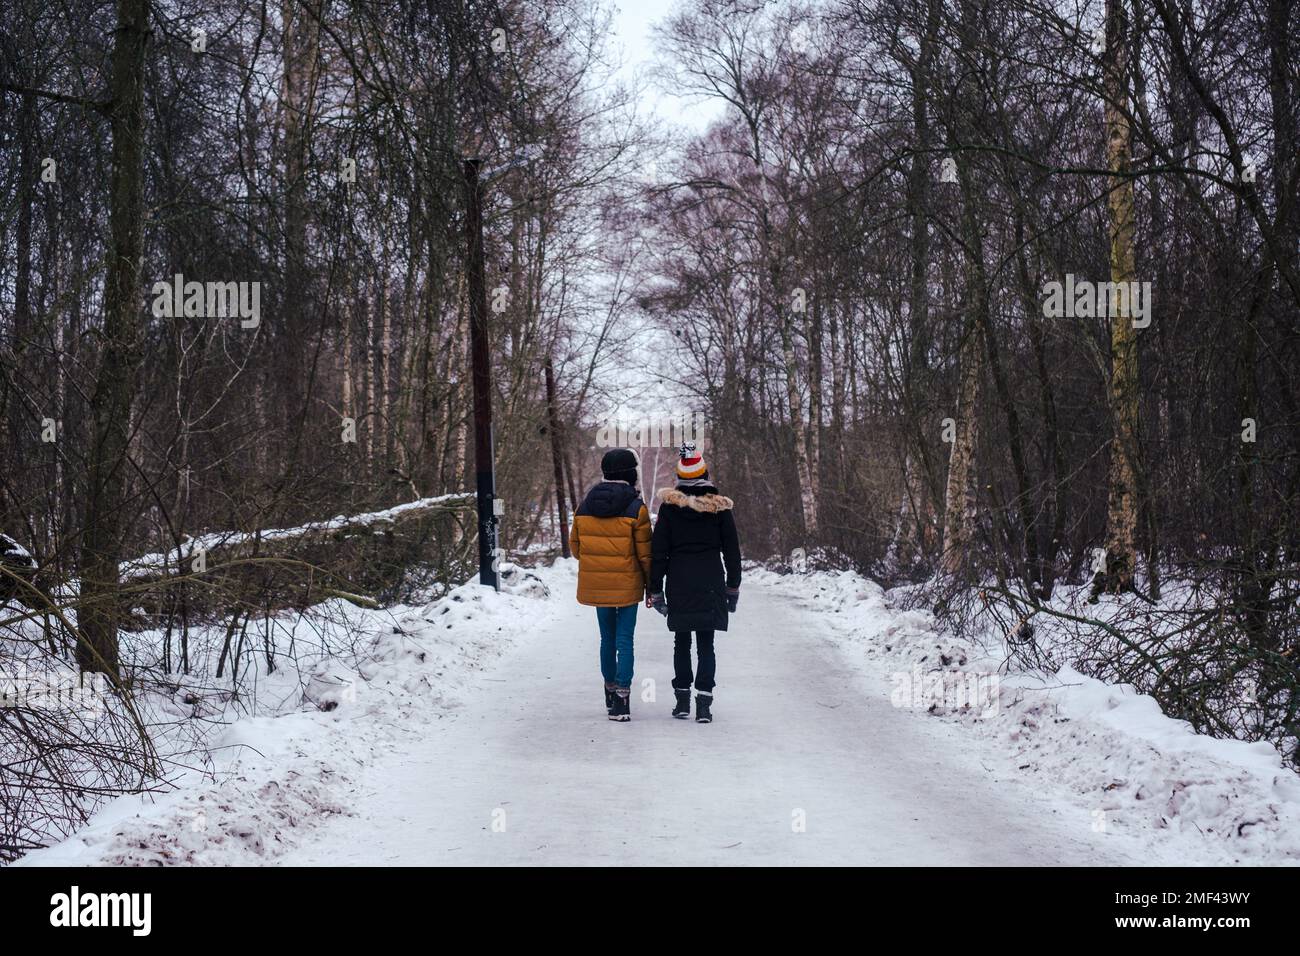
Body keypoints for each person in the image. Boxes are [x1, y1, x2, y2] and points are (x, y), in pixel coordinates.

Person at [648, 442, 741, 723]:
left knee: (681, 642)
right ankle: (704, 705)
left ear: (680, 478)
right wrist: (732, 588)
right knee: (706, 644)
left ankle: (682, 703)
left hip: (679, 582)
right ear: (706, 474)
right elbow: (732, 551)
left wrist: (655, 589)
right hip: (711, 581)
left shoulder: (669, 509)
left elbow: (659, 552)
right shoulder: (719, 509)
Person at [569, 448, 652, 721]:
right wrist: (652, 586)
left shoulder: (584, 506)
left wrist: (597, 563)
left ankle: (608, 689)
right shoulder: (636, 508)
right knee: (624, 640)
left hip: (598, 584)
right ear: (631, 474)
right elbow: (645, 555)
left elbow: (576, 548)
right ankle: (622, 699)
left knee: (607, 638)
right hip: (627, 585)